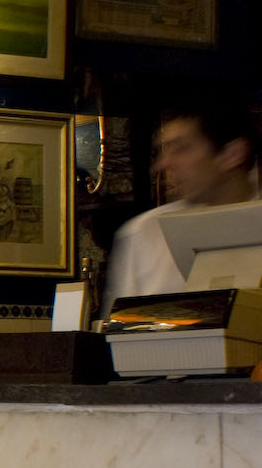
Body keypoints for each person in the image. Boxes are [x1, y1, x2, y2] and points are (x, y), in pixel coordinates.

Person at [102, 106, 259, 315]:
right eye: (164, 151)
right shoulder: (145, 233)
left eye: (181, 149)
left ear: (232, 154)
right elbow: (118, 327)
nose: (163, 164)